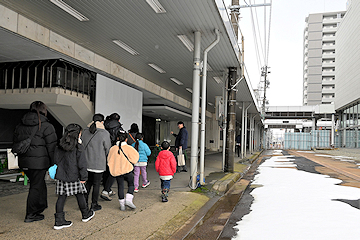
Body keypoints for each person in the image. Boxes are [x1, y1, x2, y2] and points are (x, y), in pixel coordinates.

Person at [13, 101, 57, 223]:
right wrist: (55, 163)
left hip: (24, 161)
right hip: (39, 163)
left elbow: (16, 141)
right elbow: (52, 146)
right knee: (36, 186)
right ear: (44, 110)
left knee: (38, 184)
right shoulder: (46, 126)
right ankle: (30, 214)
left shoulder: (20, 124)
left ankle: (40, 207)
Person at [53, 124, 95, 230]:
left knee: (61, 197)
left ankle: (59, 221)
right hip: (74, 175)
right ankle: (85, 214)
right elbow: (82, 164)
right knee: (80, 195)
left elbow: (55, 160)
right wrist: (84, 178)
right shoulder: (78, 147)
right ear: (77, 134)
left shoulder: (59, 145)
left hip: (61, 175)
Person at [81, 114, 111, 211]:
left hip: (86, 162)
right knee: (96, 184)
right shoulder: (104, 133)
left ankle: (84, 203)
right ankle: (94, 204)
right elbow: (108, 149)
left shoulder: (85, 131)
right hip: (99, 163)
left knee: (88, 183)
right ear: (102, 122)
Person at [107, 130, 139, 211]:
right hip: (127, 170)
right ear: (126, 139)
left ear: (117, 138)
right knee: (131, 185)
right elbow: (135, 160)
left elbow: (109, 161)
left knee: (120, 186)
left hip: (117, 172)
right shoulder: (129, 148)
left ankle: (122, 205)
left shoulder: (113, 149)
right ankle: (128, 200)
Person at [101, 113, 124, 201]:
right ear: (118, 120)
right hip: (114, 151)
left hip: (104, 150)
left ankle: (108, 189)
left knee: (107, 170)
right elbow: (122, 138)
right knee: (114, 171)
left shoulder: (104, 125)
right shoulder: (118, 128)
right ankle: (106, 191)